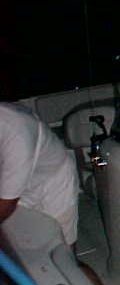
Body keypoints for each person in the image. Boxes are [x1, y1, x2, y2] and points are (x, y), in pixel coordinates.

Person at [0, 102, 80, 246]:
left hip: (53, 180)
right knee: (22, 243)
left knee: (62, 248)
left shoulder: (17, 133)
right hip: (15, 181)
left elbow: (7, 204)